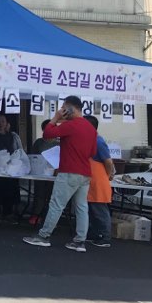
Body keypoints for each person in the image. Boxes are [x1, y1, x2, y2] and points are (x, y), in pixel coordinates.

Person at [23, 96, 97, 252]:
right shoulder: (90, 128)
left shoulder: (70, 125)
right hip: (85, 173)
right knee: (81, 207)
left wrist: (56, 118)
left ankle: (44, 236)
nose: (62, 110)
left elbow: (47, 134)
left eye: (64, 108)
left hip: (69, 171)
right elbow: (93, 152)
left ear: (71, 109)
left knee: (56, 204)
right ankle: (80, 241)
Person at [85, 115, 116, 248]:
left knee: (100, 211)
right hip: (90, 181)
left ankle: (105, 236)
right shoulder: (89, 140)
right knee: (91, 210)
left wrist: (108, 175)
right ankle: (94, 233)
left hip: (98, 181)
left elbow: (108, 162)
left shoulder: (98, 141)